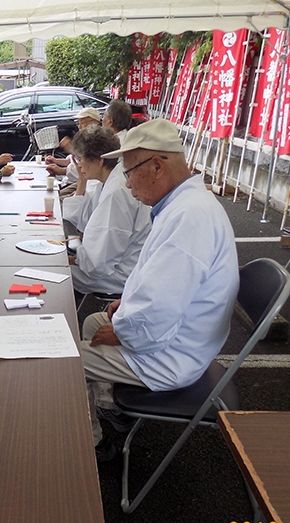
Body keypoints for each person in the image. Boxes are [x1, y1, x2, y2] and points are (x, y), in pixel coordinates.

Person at [79, 119, 239, 461]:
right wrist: (125, 306)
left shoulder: (188, 217)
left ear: (156, 165)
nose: (128, 184)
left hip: (171, 355)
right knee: (93, 324)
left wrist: (121, 330)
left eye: (130, 172)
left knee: (66, 361)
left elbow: (159, 308)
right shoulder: (186, 204)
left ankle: (94, 444)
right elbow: (161, 283)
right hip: (181, 337)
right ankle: (113, 409)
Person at [64, 125, 151, 296]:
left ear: (99, 160)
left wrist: (71, 261)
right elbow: (82, 218)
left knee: (56, 274)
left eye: (80, 159)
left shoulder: (116, 191)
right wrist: (82, 180)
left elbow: (97, 264)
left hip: (119, 273)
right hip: (114, 263)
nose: (78, 165)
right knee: (59, 265)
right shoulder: (109, 178)